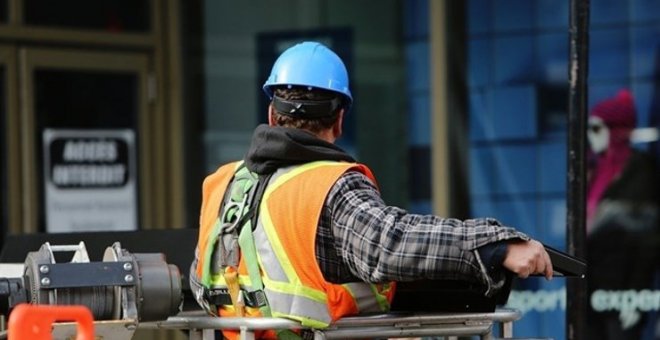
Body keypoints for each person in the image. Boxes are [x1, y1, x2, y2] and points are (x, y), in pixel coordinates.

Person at [189, 41, 553, 339]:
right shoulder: (330, 186)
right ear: (340, 120)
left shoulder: (223, 184)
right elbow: (388, 245)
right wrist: (495, 245)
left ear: (272, 115)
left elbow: (201, 278)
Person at [585, 90, 660, 340]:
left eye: (597, 129)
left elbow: (646, 238)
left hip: (623, 289)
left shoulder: (640, 170)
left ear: (616, 131)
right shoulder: (592, 170)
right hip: (592, 289)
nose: (590, 137)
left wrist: (636, 296)